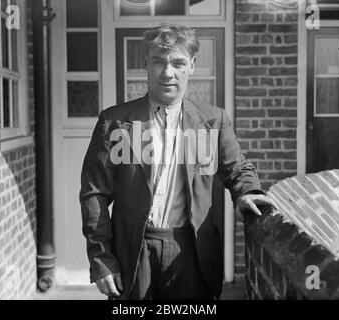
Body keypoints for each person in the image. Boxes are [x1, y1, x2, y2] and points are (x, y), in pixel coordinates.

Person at [79, 24, 276, 300]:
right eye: (159, 61)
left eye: (178, 63)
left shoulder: (213, 121)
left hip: (192, 250)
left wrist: (247, 192)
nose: (167, 73)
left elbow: (237, 169)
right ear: (146, 62)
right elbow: (94, 193)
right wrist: (101, 259)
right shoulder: (115, 122)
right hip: (133, 250)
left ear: (192, 66)